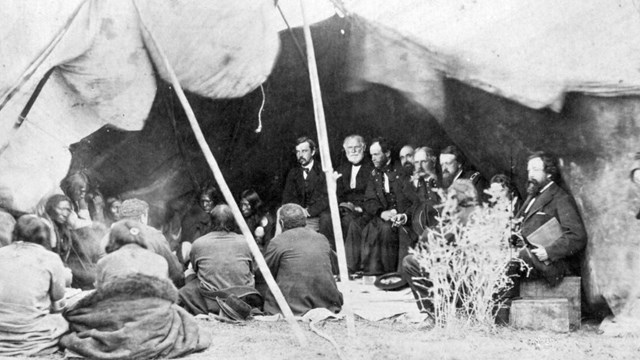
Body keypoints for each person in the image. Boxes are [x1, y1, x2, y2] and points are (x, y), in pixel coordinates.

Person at [401, 179, 481, 311]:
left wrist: (427, 234)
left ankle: (434, 312)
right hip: (462, 267)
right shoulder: (472, 211)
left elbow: (442, 236)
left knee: (410, 262)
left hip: (459, 269)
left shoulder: (465, 214)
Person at [510, 151, 587, 288]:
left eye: (535, 170)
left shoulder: (560, 198)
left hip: (550, 265)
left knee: (510, 260)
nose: (530, 175)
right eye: (529, 170)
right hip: (529, 259)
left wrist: (548, 252)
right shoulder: (533, 196)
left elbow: (577, 236)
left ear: (549, 173)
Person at [0, 215, 69, 356]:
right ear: (46, 236)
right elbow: (58, 303)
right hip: (32, 332)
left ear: (15, 233)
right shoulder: (51, 258)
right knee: (62, 321)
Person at [179, 204, 261, 315]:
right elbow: (252, 270)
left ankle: (197, 307)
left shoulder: (199, 243)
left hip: (212, 300)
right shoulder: (246, 242)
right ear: (232, 222)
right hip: (241, 300)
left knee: (189, 274)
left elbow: (195, 269)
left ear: (211, 222)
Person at [263, 204, 343, 316]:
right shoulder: (321, 238)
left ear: (281, 223)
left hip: (293, 304)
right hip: (326, 302)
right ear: (305, 221)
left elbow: (264, 272)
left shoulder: (278, 241)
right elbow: (335, 266)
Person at [362, 137, 413, 275]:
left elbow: (409, 199)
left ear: (388, 153)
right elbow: (369, 200)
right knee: (365, 227)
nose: (372, 158)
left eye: (376, 154)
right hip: (383, 215)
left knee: (386, 229)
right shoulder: (374, 174)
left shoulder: (401, 171)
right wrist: (381, 212)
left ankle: (389, 273)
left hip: (402, 215)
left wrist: (397, 212)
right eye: (371, 155)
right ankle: (370, 270)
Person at [111, 198, 185, 288]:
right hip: (150, 292)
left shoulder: (107, 236)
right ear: (143, 217)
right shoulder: (154, 235)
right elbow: (176, 272)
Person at [282, 136, 333, 246]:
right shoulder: (293, 173)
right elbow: (288, 197)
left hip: (318, 213)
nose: (300, 155)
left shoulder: (324, 171)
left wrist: (309, 211)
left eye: (304, 151)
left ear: (313, 151)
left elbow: (327, 197)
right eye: (298, 152)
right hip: (299, 213)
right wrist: (299, 211)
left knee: (326, 218)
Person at [43, 194, 102, 289]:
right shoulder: (46, 228)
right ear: (51, 208)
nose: (65, 213)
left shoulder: (65, 229)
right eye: (62, 209)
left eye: (68, 210)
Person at [336, 134, 373, 273]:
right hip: (345, 207)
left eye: (357, 147)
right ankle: (334, 264)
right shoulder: (342, 168)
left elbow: (372, 194)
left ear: (364, 148)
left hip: (364, 208)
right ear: (345, 150)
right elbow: (337, 192)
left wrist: (358, 207)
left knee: (348, 222)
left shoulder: (370, 167)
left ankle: (350, 267)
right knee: (328, 219)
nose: (353, 151)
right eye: (349, 148)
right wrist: (342, 205)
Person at [95, 219, 169, 288]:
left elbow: (100, 293)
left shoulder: (104, 263)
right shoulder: (160, 261)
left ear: (113, 239)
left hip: (118, 300)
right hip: (155, 301)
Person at [177, 185, 218, 264]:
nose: (205, 205)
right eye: (202, 201)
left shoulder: (220, 216)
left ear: (214, 201)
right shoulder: (195, 216)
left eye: (208, 201)